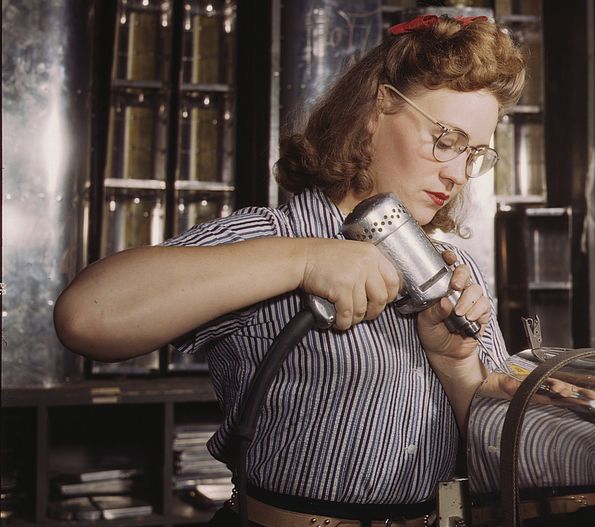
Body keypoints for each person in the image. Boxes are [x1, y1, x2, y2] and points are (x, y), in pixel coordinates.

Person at [54, 14, 526, 526]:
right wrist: (305, 260)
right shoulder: (273, 236)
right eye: (446, 140)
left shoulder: (458, 273)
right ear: (377, 108)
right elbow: (86, 317)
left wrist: (459, 367)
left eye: (474, 153)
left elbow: (502, 467)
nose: (457, 173)